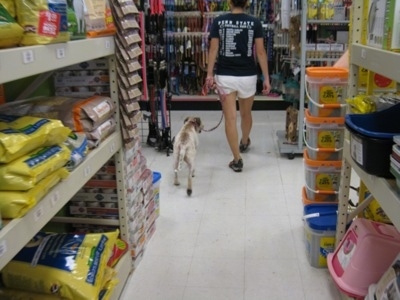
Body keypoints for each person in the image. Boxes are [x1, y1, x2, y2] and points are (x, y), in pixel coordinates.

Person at [206, 0, 271, 172]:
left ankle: (237, 159)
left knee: (230, 119)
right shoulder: (255, 23)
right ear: (247, 3)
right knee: (246, 113)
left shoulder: (219, 22)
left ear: (229, 2)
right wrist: (266, 78)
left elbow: (213, 50)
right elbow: (260, 52)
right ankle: (244, 141)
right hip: (248, 76)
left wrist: (209, 74)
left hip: (225, 77)